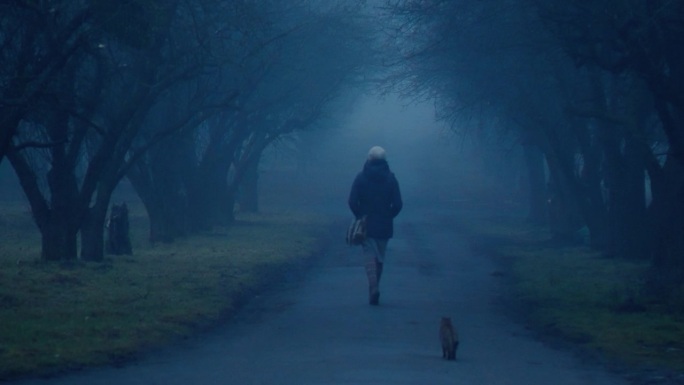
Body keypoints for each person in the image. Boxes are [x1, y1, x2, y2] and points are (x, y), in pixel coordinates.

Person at [348, 146, 403, 305]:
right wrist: (389, 216)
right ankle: (376, 286)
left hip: (366, 224)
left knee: (368, 255)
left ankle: (373, 286)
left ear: (368, 159)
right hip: (385, 225)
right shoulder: (391, 179)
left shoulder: (360, 177)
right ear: (385, 160)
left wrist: (359, 215)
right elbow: (398, 204)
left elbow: (352, 201)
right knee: (380, 257)